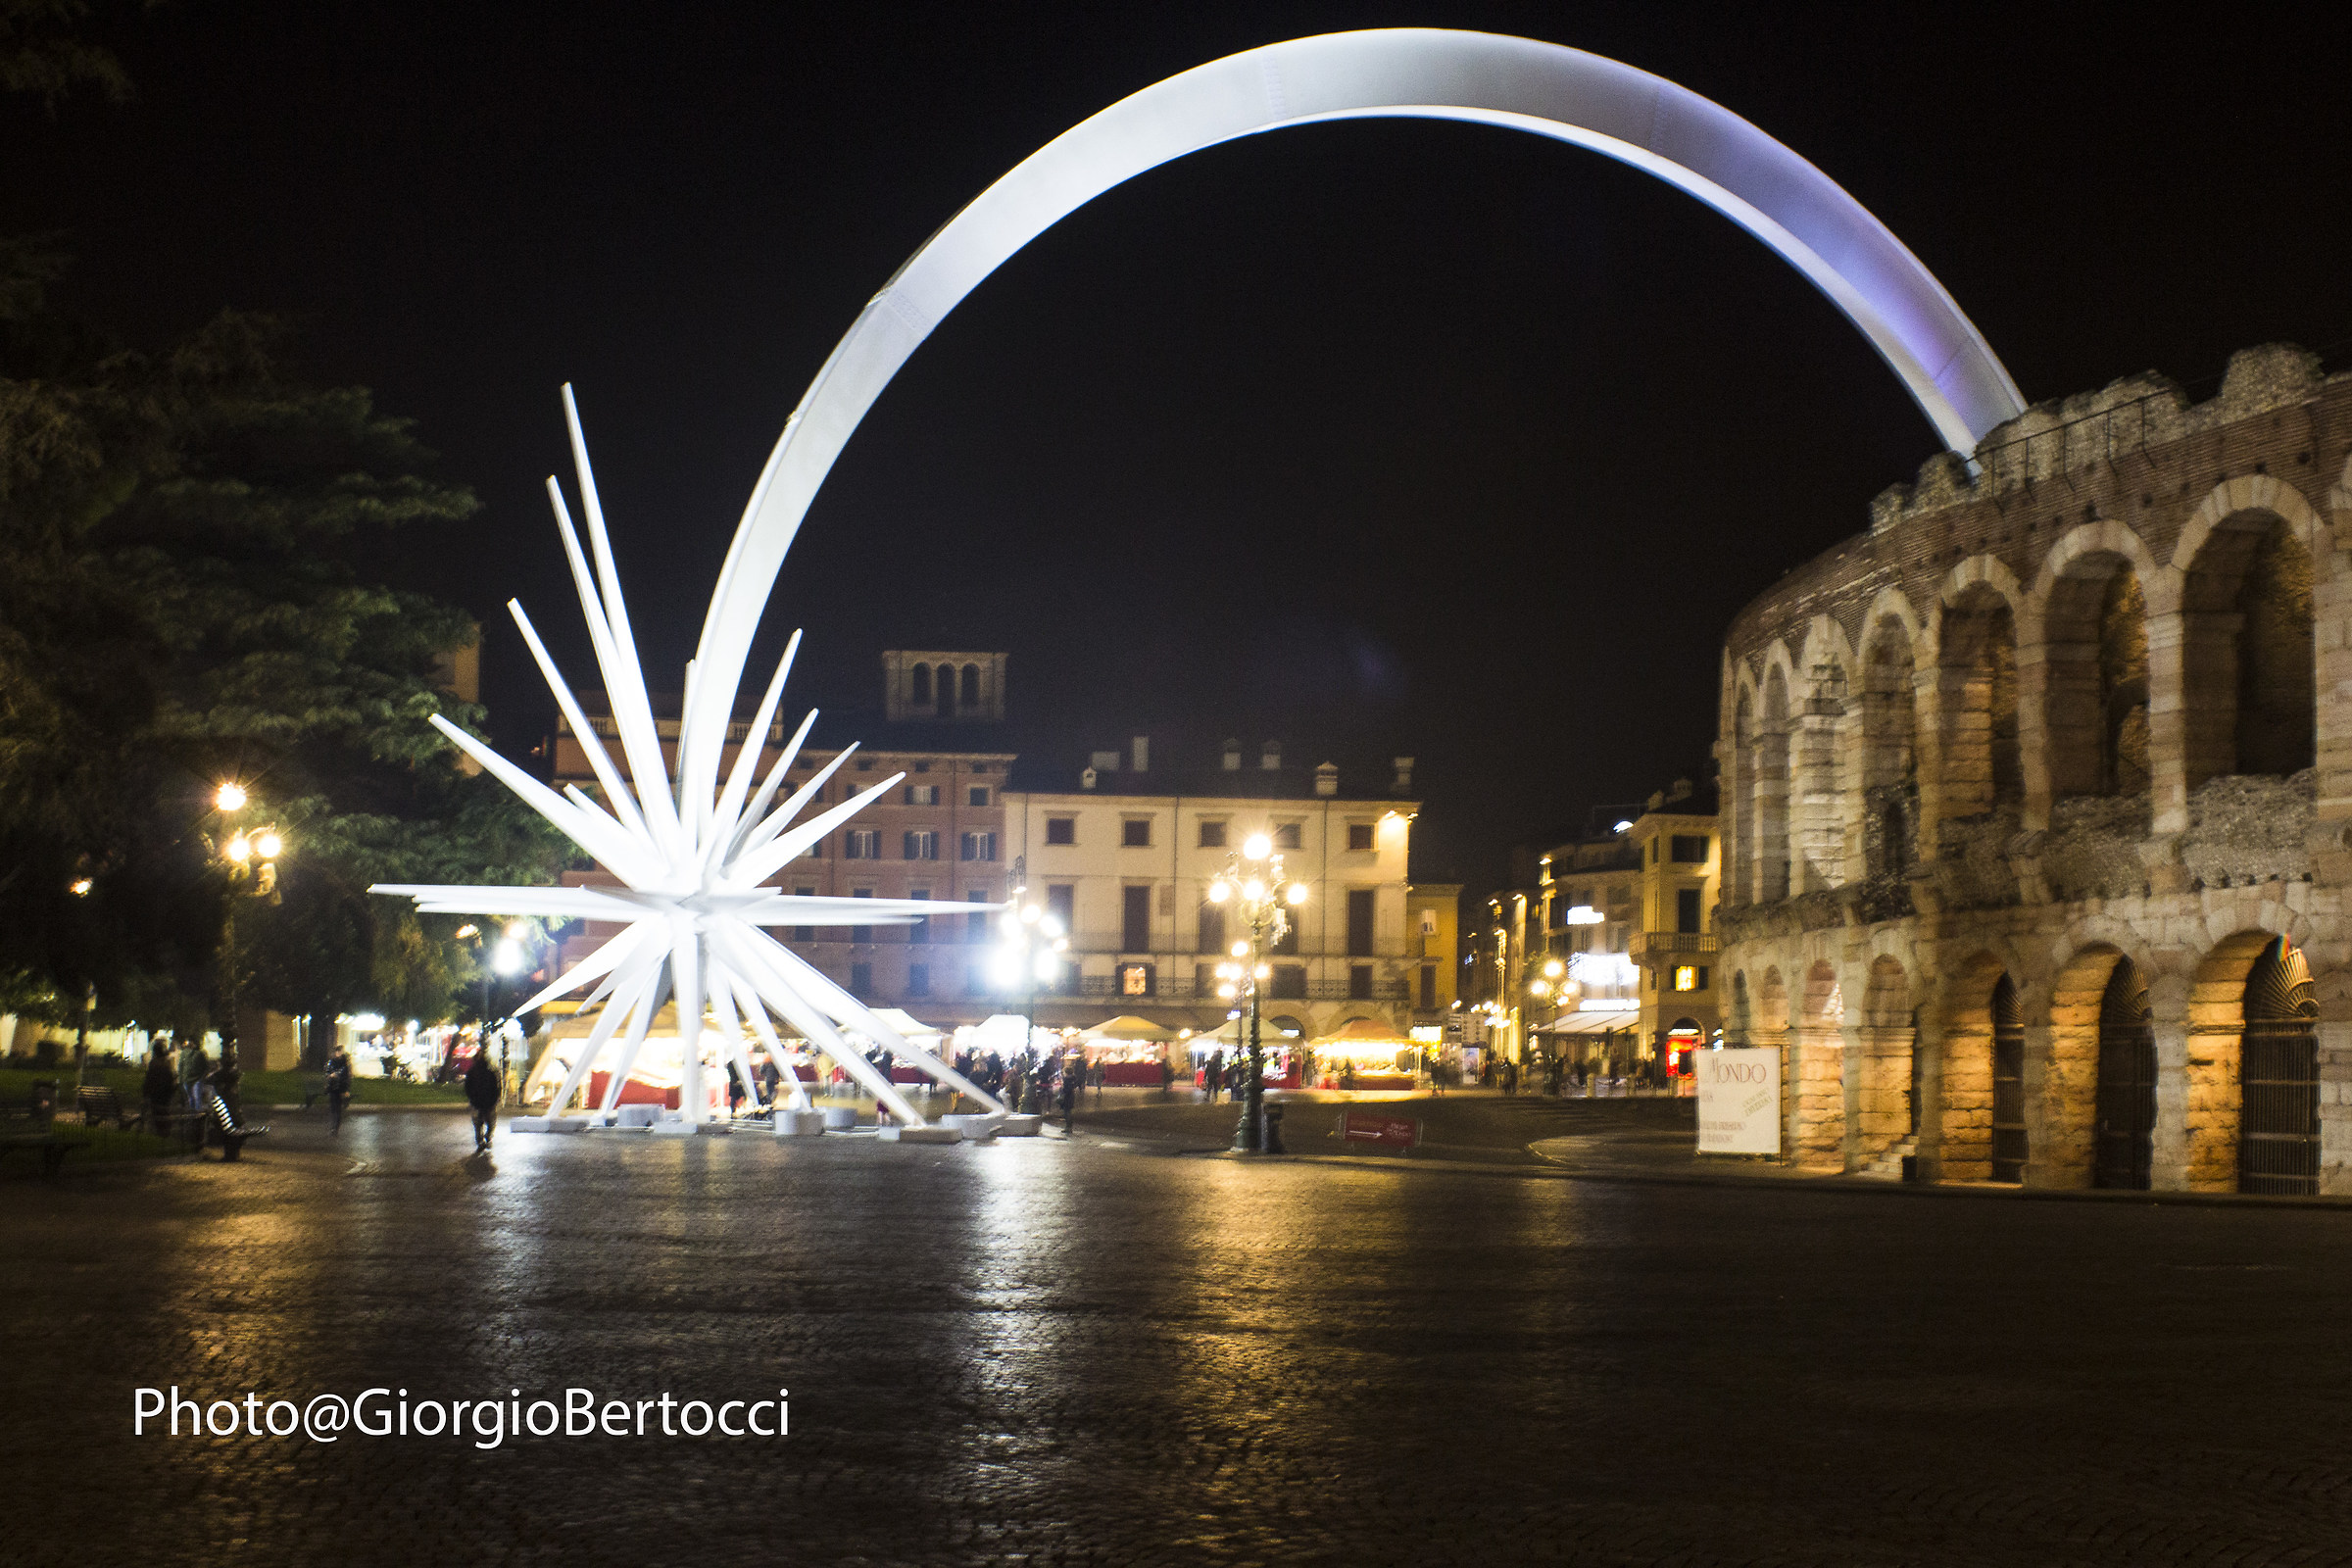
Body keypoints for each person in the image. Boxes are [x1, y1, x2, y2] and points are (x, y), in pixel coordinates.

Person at [464, 1047, 502, 1152]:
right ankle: (487, 1138)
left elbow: (467, 1087)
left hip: (477, 1101)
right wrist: (495, 1099)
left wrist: (471, 1098)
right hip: (488, 1102)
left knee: (478, 1124)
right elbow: (496, 1088)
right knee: (490, 1122)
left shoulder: (472, 1072)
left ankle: (480, 1140)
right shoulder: (491, 1072)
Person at [142, 1047, 177, 1135]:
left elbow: (149, 1080)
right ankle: (164, 1131)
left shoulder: (153, 1063)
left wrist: (145, 1093)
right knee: (164, 1112)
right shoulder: (166, 1064)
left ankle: (158, 1131)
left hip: (155, 1093)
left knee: (156, 1112)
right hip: (165, 1093)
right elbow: (171, 1078)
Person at [323, 1046, 354, 1135]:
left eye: (340, 1052)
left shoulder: (345, 1064)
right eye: (337, 1052)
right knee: (333, 1108)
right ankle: (333, 1127)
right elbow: (327, 1073)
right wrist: (330, 1076)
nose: (338, 1054)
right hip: (332, 1088)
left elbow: (346, 1077)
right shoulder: (331, 1062)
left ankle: (336, 1127)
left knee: (338, 1109)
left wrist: (346, 1089)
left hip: (341, 1088)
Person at [1055, 1060, 1077, 1134]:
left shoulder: (1067, 1080)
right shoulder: (1072, 1079)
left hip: (1067, 1098)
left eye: (1064, 1072)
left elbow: (1066, 1089)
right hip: (1070, 1097)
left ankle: (1068, 1127)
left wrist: (1062, 1088)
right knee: (1068, 1112)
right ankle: (1069, 1127)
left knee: (1067, 1112)